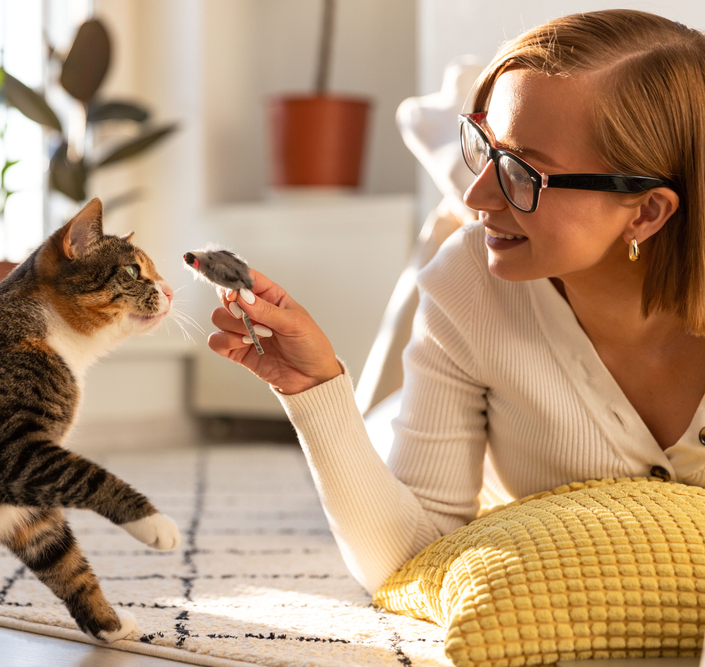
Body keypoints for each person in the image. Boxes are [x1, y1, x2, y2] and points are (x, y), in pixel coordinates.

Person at [207, 9, 705, 596]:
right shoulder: (468, 277)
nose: (479, 193)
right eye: (485, 150)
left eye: (522, 171)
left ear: (647, 211)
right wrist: (313, 388)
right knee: (454, 243)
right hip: (406, 411)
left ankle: (449, 137)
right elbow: (411, 557)